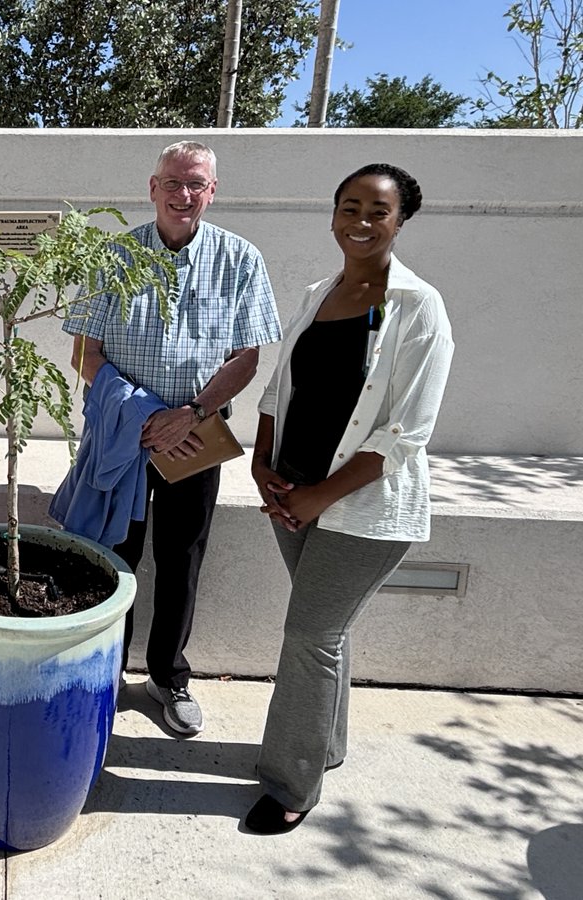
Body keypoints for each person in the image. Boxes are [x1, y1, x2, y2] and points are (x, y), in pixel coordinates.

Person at [245, 164, 454, 835]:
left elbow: (405, 432)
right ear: (333, 213)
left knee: (309, 635)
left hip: (361, 505)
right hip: (292, 490)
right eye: (349, 207)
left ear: (401, 221)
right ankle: (324, 746)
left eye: (378, 212)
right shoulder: (319, 290)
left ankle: (290, 782)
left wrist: (318, 498)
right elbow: (283, 388)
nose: (360, 222)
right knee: (325, 635)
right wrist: (260, 462)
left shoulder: (419, 307)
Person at [65, 141, 281, 736]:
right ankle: (104, 674)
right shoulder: (113, 257)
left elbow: (247, 356)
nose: (184, 195)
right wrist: (142, 414)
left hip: (194, 440)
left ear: (212, 191)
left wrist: (190, 412)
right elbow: (85, 350)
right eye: (173, 183)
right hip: (124, 438)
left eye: (197, 185)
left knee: (182, 558)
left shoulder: (240, 259)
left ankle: (169, 676)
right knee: (115, 555)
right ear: (152, 187)